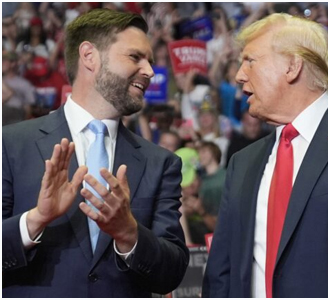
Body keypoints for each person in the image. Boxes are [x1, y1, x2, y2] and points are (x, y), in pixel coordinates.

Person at [3, 9, 189, 298]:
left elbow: (172, 273)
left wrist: (128, 232)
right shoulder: (10, 145)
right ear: (89, 56)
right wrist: (36, 219)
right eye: (135, 57)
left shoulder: (161, 163)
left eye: (150, 61)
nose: (150, 71)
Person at [202, 13, 328, 298]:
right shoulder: (242, 162)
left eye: (250, 61)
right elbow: (222, 272)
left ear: (293, 66)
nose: (239, 75)